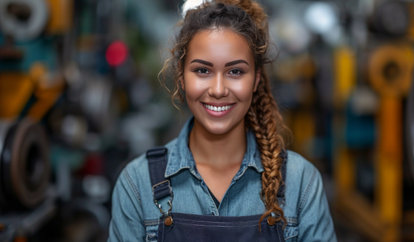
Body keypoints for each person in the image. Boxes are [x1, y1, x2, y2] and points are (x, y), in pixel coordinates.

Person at [108, 0, 337, 241]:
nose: (218, 89)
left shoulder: (300, 182)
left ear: (256, 79)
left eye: (235, 71)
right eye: (203, 71)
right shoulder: (138, 183)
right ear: (182, 78)